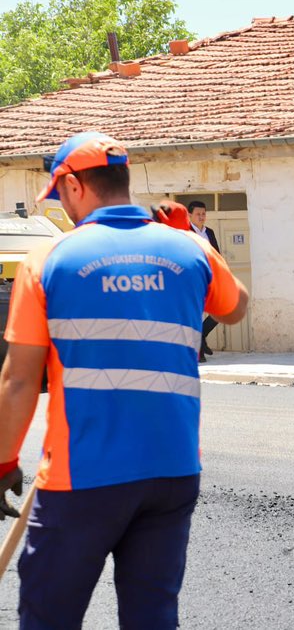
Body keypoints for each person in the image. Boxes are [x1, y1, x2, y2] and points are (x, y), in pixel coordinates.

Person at [0, 132, 248, 628]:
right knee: (152, 615)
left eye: (60, 195)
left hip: (84, 475)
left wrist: (4, 460)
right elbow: (238, 306)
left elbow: (19, 382)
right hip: (172, 470)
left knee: (48, 615)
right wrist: (191, 240)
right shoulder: (187, 250)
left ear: (74, 186)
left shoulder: (48, 261)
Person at [188, 200, 221, 362]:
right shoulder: (184, 232)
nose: (201, 217)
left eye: (203, 214)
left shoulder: (210, 232)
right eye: (198, 214)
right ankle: (198, 352)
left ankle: (202, 334)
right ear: (189, 215)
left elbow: (217, 255)